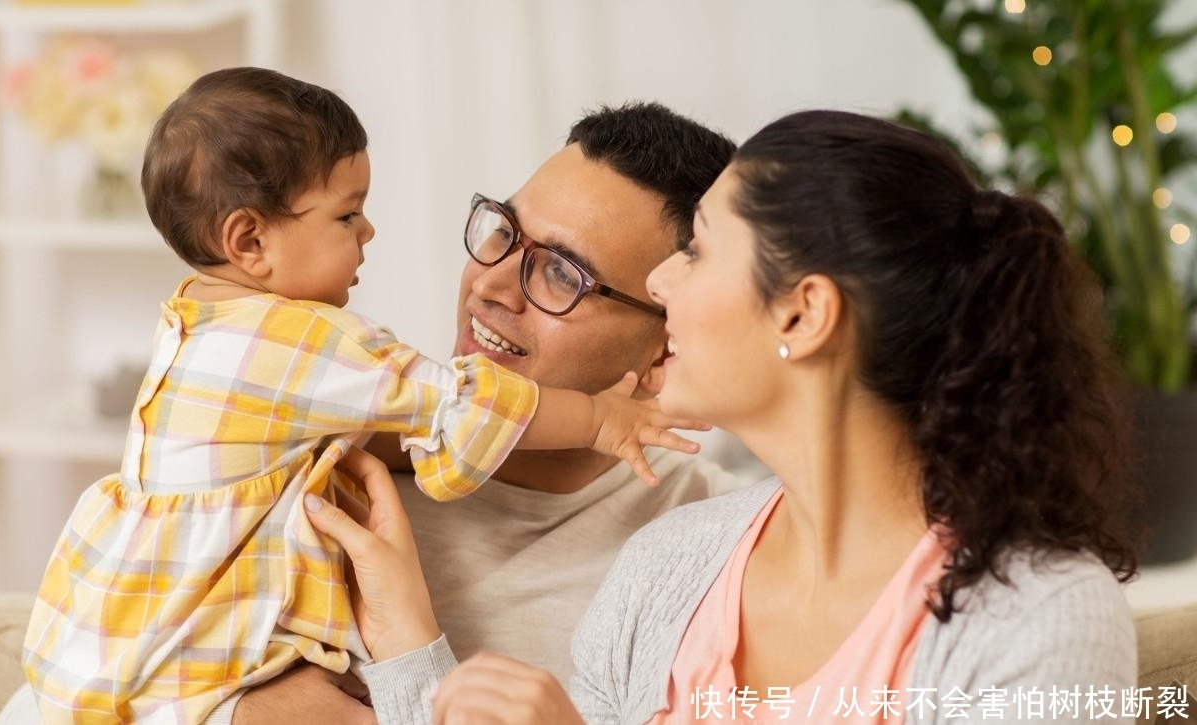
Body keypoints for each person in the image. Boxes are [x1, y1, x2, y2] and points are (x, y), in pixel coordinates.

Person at [307, 110, 1141, 724]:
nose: (667, 288)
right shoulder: (669, 569)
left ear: (802, 315)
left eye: (697, 252)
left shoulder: (1043, 615)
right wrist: (411, 646)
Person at [17, 68, 707, 725]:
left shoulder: (702, 555)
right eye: (502, 229)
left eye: (560, 272)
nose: (490, 285)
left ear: (665, 349)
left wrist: (412, 647)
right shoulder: (322, 445)